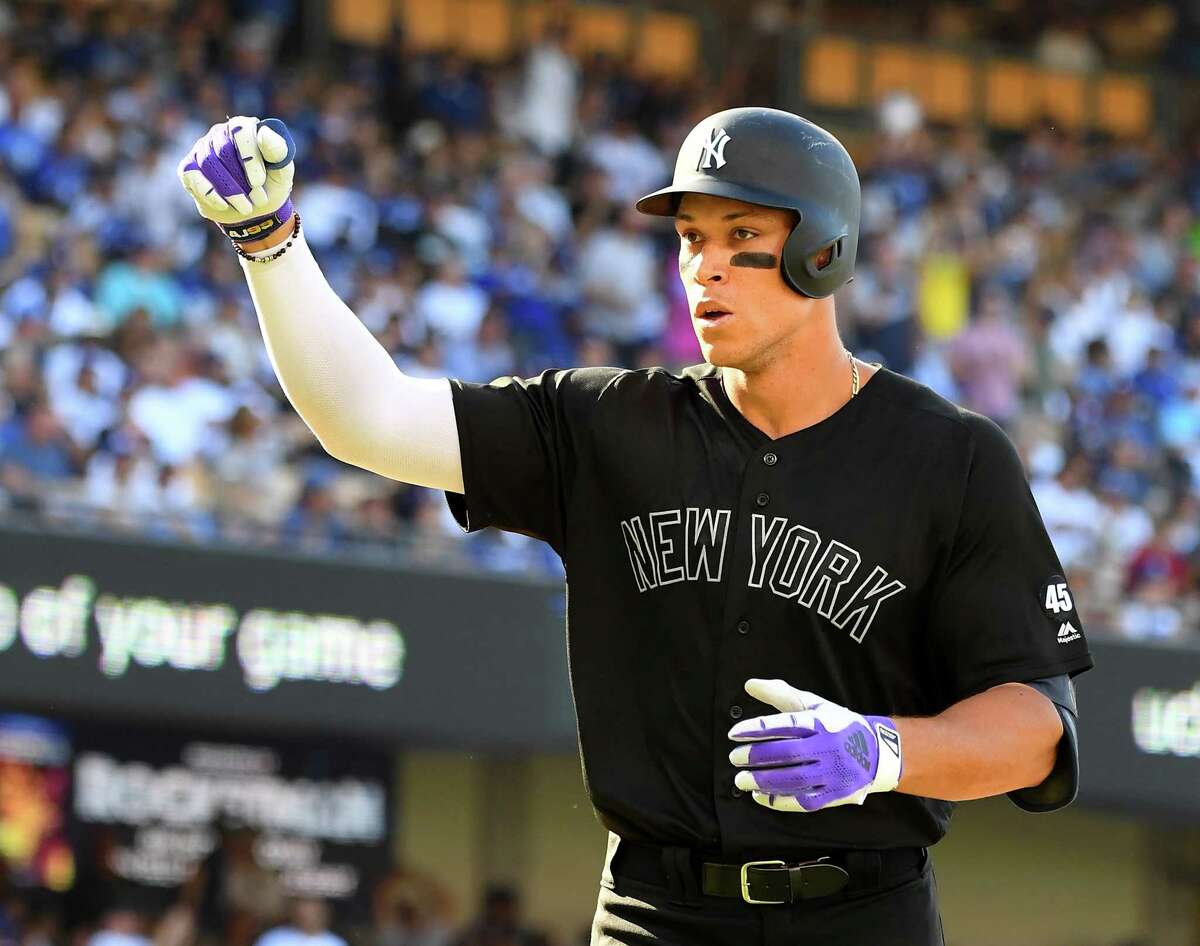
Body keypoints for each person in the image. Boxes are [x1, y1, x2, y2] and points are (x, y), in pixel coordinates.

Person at [178, 108, 1093, 946]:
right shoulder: (607, 422)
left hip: (864, 912)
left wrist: (881, 751)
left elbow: (1035, 728)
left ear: (824, 251)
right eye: (692, 239)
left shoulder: (952, 457)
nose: (705, 267)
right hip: (656, 913)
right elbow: (367, 418)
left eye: (743, 237)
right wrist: (270, 244)